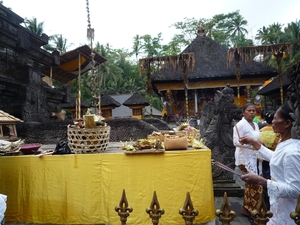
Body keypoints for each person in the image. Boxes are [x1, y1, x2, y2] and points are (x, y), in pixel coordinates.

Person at [239, 103, 300, 225]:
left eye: (276, 118)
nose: (272, 121)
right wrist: (254, 143)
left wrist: (262, 181)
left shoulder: (292, 152)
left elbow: (295, 190)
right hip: (278, 205)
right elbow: (276, 159)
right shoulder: (285, 142)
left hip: (289, 211)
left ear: (287, 123)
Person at [233, 103, 261, 216]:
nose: (252, 112)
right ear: (243, 112)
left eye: (253, 110)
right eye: (249, 110)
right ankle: (256, 210)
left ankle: (246, 208)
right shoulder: (240, 125)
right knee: (255, 183)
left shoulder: (256, 124)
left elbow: (258, 139)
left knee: (250, 184)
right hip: (244, 158)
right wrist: (252, 145)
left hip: (255, 157)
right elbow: (235, 142)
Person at [259, 110, 280, 210]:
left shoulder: (261, 130)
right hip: (275, 156)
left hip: (264, 159)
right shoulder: (278, 133)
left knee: (266, 179)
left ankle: (265, 202)